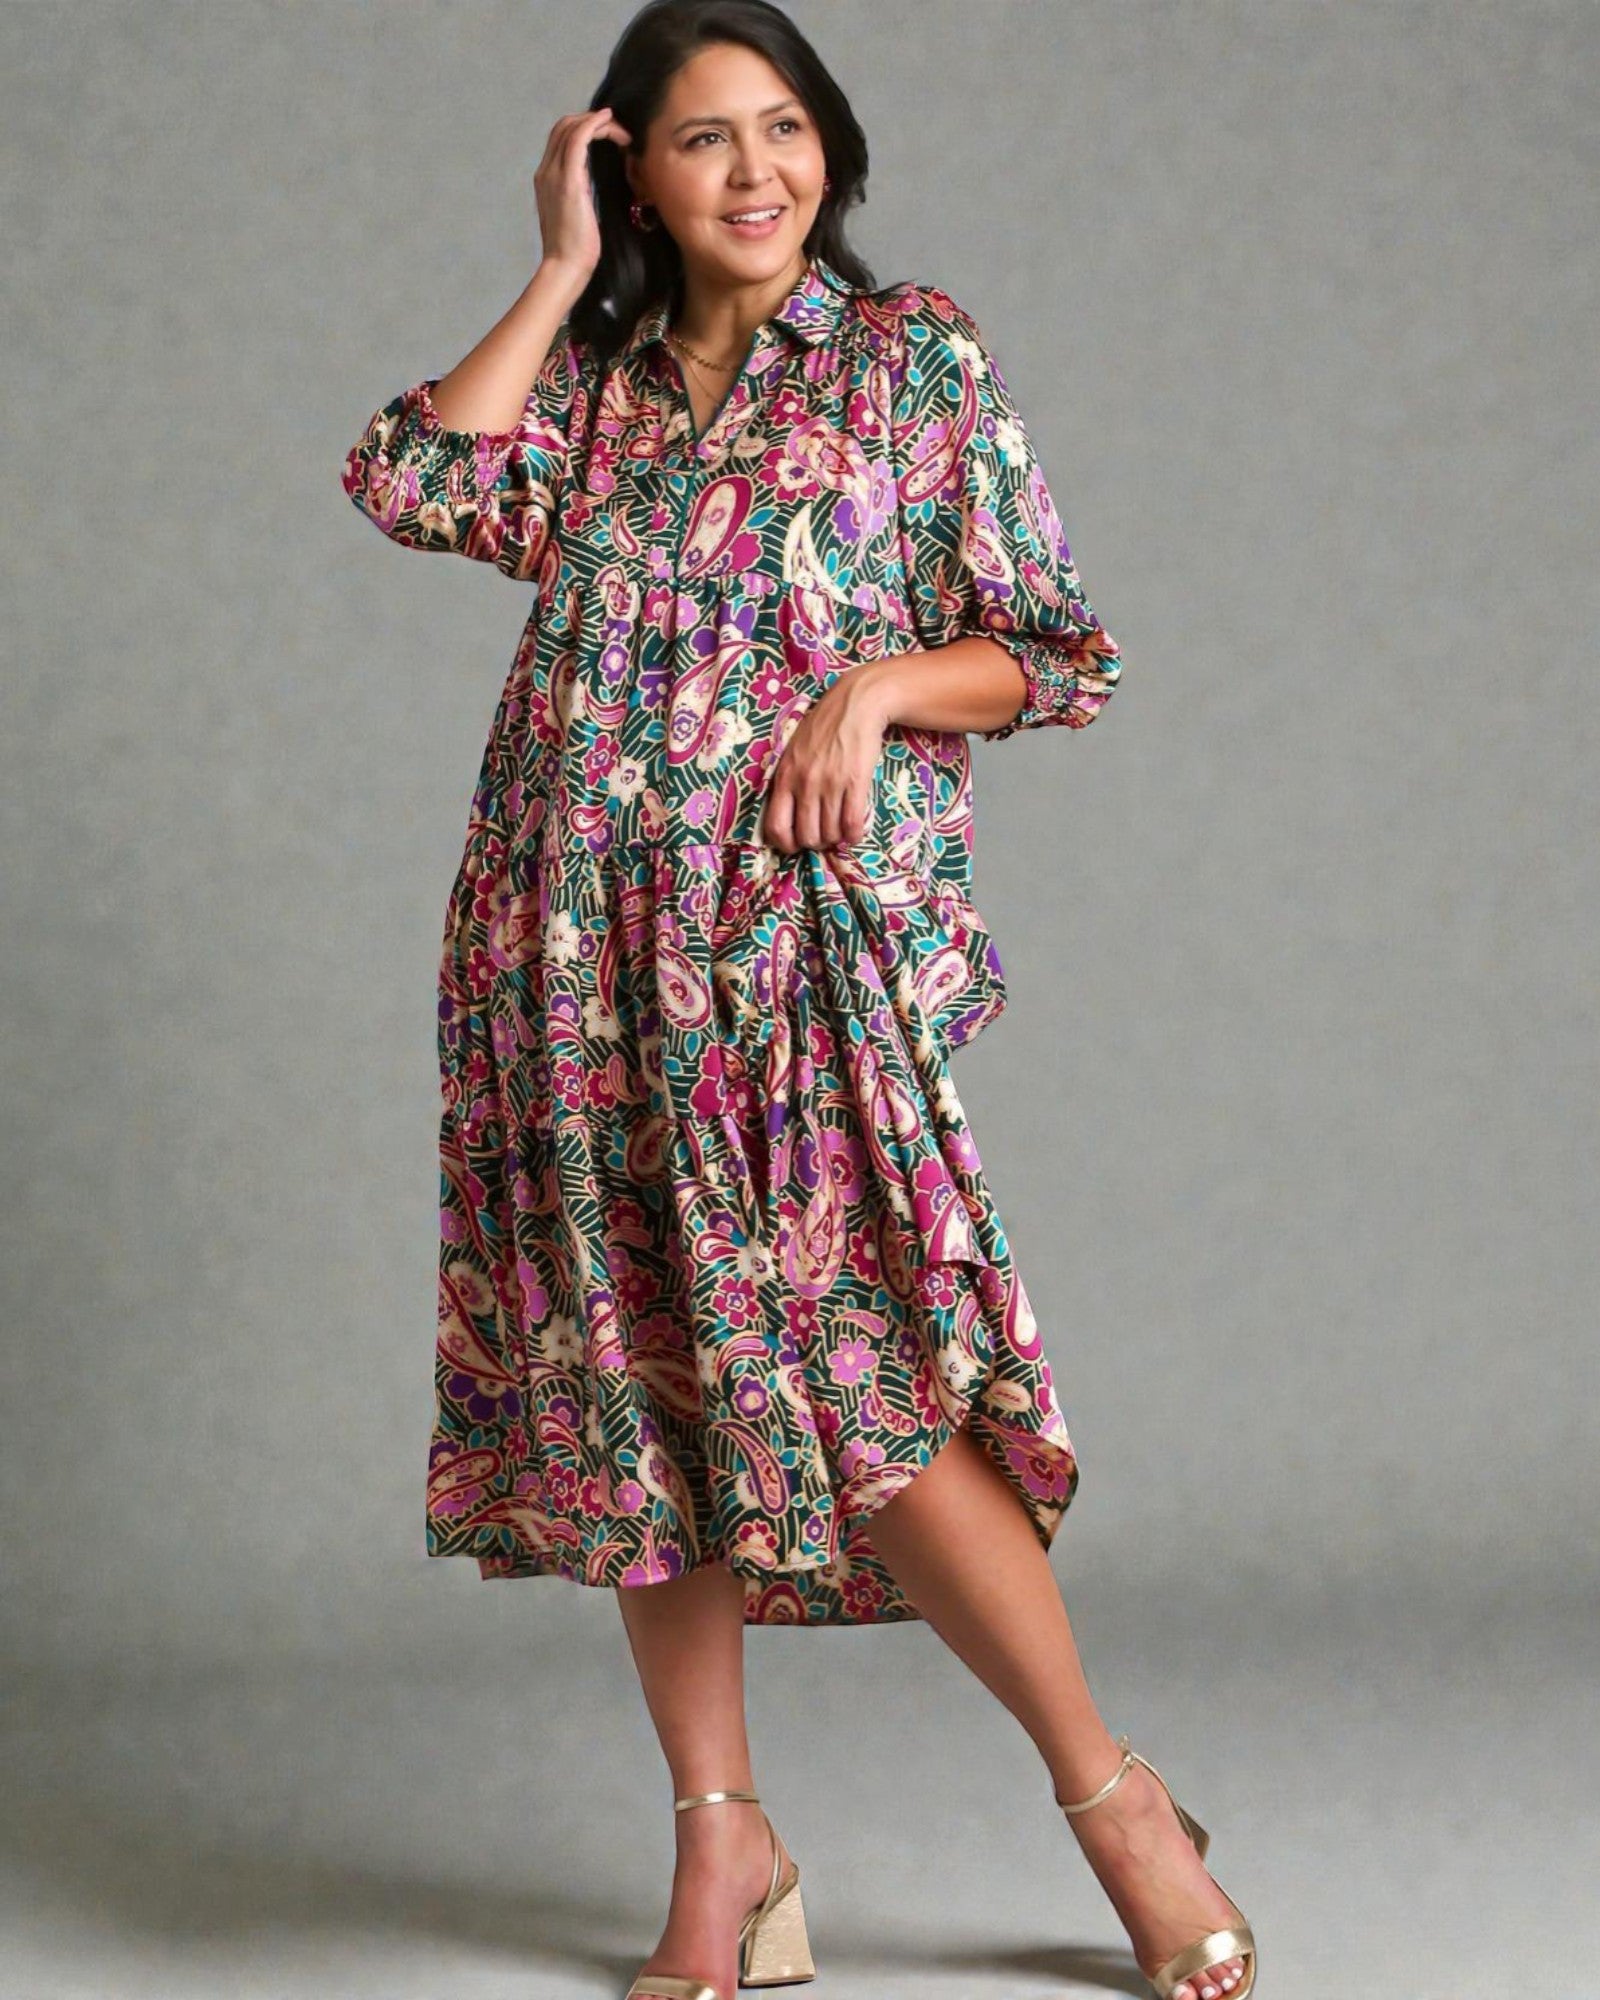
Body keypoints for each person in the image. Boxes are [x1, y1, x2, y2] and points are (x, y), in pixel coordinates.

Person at [340, 4, 1255, 1998]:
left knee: (856, 1385)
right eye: (694, 141)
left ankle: (1110, 1797)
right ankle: (720, 1846)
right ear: (631, 173)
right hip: (562, 964)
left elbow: (1050, 649)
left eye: (781, 128)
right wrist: (562, 267)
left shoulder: (907, 358)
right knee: (636, 1393)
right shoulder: (593, 390)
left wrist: (871, 683)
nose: (752, 170)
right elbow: (405, 477)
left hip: (778, 970)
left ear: (825, 148)